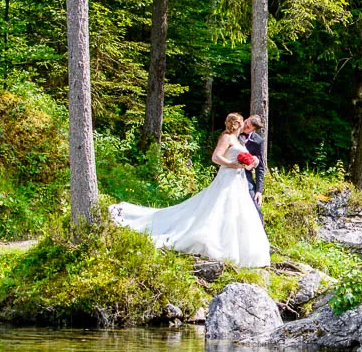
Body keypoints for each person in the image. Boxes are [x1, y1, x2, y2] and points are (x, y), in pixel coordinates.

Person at [108, 112, 271, 267]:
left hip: (239, 181)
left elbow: (254, 163)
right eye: (244, 122)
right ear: (237, 124)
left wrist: (253, 162)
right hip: (227, 177)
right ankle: (213, 243)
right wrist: (234, 164)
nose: (245, 126)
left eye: (247, 125)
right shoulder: (226, 137)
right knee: (217, 207)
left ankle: (238, 249)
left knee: (237, 212)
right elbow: (216, 157)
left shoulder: (240, 141)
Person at [240, 115, 266, 209]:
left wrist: (259, 191)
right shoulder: (234, 132)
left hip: (245, 174)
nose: (244, 126)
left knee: (254, 203)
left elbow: (260, 167)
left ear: (253, 130)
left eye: (248, 127)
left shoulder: (258, 141)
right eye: (246, 122)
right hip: (229, 171)